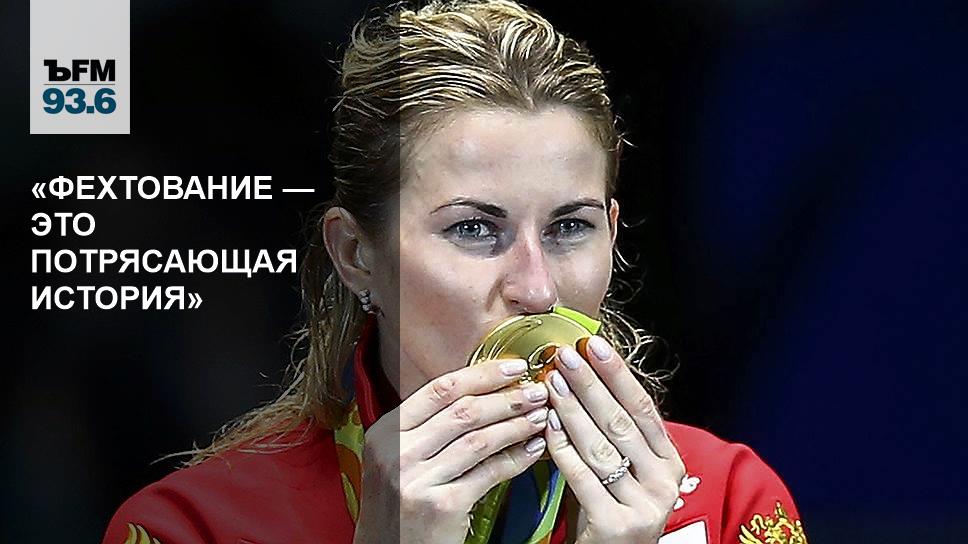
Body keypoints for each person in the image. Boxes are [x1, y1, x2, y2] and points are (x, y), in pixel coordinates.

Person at [103, 1, 808, 543]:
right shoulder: (193, 528)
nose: (537, 289)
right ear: (356, 255)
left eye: (569, 227)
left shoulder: (731, 503)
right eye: (474, 229)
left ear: (614, 232)